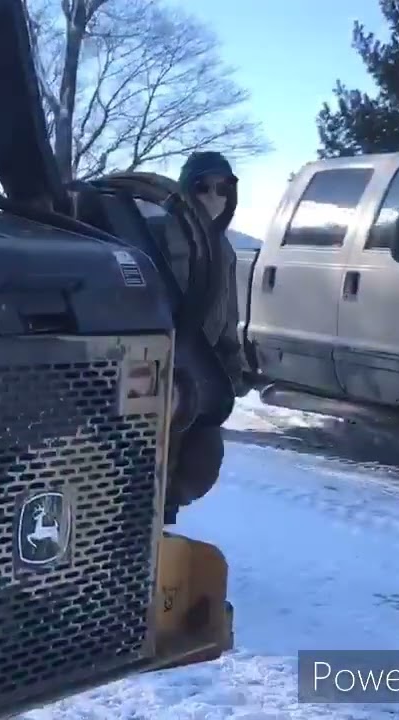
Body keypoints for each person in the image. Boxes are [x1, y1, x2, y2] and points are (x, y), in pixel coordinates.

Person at [163, 150, 251, 518]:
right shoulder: (165, 234)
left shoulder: (224, 248)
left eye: (224, 187)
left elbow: (227, 316)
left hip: (202, 372)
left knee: (201, 459)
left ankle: (165, 515)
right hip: (165, 367)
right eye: (204, 187)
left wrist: (233, 362)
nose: (214, 196)